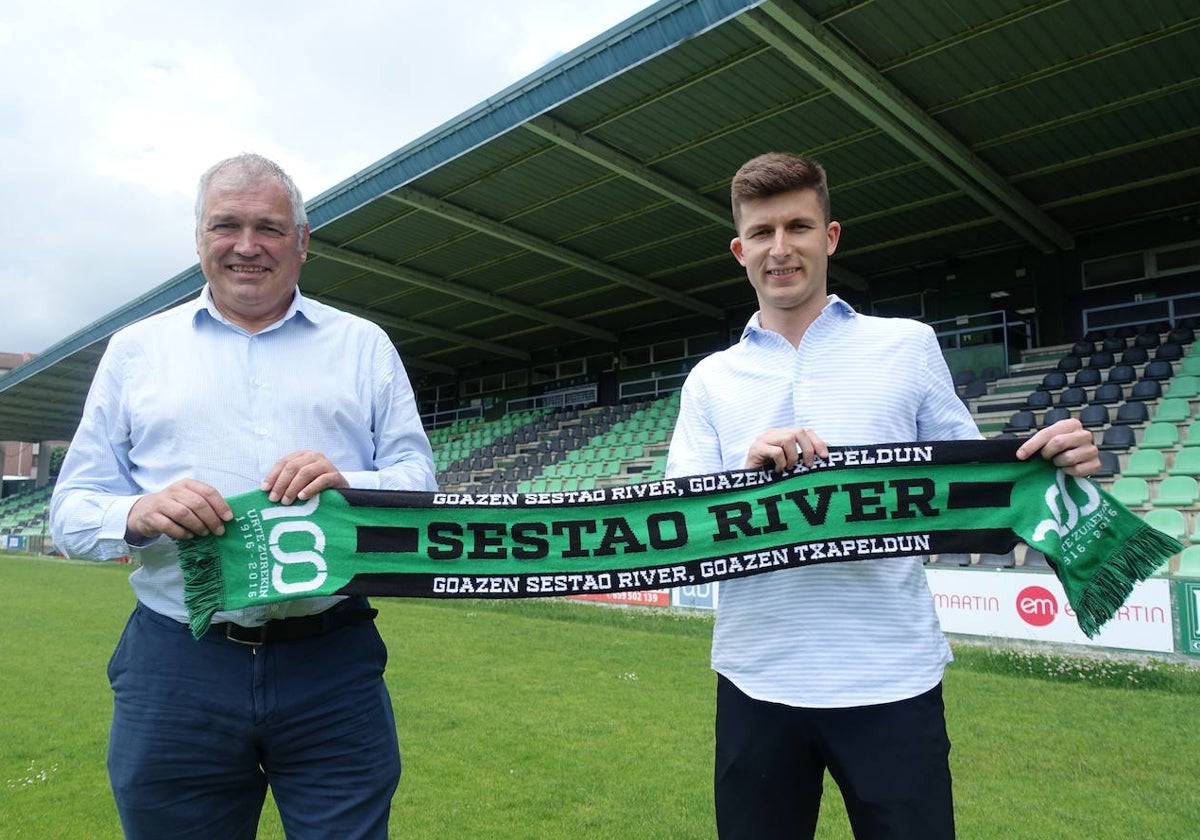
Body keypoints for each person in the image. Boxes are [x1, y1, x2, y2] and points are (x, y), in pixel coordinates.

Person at [665, 151, 1099, 840]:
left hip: (893, 677)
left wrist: (1052, 465)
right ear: (739, 249)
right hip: (756, 679)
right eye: (763, 232)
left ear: (830, 236)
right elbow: (677, 526)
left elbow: (972, 484)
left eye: (798, 227)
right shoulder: (710, 381)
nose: (781, 249)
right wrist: (743, 483)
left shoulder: (907, 346)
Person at [50, 153, 437, 840]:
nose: (247, 245)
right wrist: (135, 514)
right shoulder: (136, 351)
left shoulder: (362, 346)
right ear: (199, 239)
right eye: (226, 225)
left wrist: (354, 486)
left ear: (303, 241)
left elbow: (419, 486)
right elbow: (71, 512)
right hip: (178, 662)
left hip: (332, 662)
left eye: (269, 227)